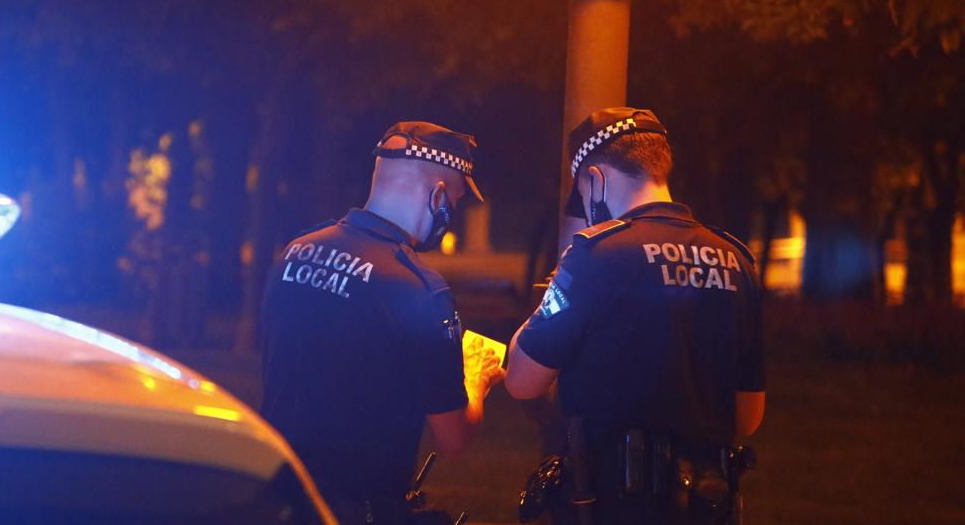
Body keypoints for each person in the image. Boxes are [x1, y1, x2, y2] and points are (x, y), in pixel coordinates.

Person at [505, 107, 765, 524]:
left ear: (596, 180)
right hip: (706, 504)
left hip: (612, 503)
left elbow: (522, 380)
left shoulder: (596, 254)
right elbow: (748, 417)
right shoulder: (736, 260)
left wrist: (556, 286)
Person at [260, 121, 505, 524]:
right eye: (455, 202)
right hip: (358, 511)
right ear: (438, 195)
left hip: (278, 498)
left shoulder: (296, 250)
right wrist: (476, 377)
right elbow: (454, 438)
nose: (452, 215)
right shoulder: (416, 288)